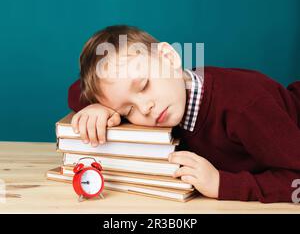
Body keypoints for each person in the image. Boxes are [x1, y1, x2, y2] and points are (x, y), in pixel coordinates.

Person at [67, 24, 300, 203]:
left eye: (144, 85)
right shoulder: (165, 96)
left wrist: (223, 184)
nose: (145, 107)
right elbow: (76, 91)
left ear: (169, 58)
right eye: (128, 110)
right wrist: (100, 107)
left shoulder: (244, 108)